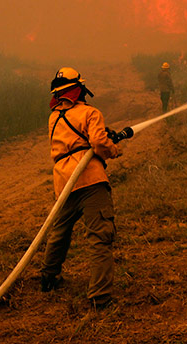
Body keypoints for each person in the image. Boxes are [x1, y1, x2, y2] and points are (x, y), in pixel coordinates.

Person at [41, 67, 122, 309]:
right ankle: (100, 296)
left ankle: (48, 277)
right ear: (79, 89)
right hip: (90, 179)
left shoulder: (53, 117)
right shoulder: (90, 113)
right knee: (100, 235)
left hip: (63, 181)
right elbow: (98, 143)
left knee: (60, 232)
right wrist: (114, 149)